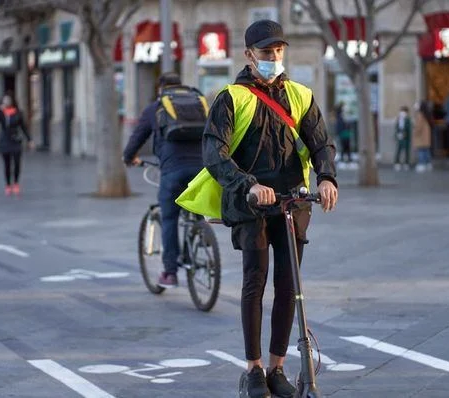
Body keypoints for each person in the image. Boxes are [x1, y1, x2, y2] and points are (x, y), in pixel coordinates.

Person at [200, 20, 338, 398]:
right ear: (248, 55)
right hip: (252, 202)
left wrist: (327, 178)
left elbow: (322, 143)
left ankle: (278, 366)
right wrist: (248, 184)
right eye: (265, 52)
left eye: (278, 51)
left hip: (293, 201)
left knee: (289, 286)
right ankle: (253, 369)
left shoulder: (300, 95)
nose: (273, 58)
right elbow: (214, 153)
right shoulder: (231, 98)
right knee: (254, 282)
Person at [123, 72, 203, 288]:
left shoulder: (155, 108)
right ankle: (199, 242)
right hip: (203, 169)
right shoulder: (198, 103)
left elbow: (138, 136)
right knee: (197, 211)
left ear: (161, 89)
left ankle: (170, 272)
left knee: (169, 217)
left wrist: (129, 157)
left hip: (173, 169)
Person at [0, 93, 33, 196]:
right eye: (5, 100)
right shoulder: (1, 113)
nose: (7, 102)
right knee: (7, 164)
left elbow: (23, 127)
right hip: (5, 140)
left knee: (17, 163)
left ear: (12, 101)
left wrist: (29, 139)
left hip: (15, 140)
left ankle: (16, 183)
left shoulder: (18, 113)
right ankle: (8, 185)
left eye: (8, 100)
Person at [412, 101, 432, 172]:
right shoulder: (426, 114)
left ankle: (422, 164)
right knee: (426, 150)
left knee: (421, 150)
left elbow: (418, 126)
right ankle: (428, 163)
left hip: (421, 135)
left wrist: (415, 132)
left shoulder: (419, 115)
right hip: (425, 135)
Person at [394, 105, 411, 171]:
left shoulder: (408, 119)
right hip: (400, 137)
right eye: (401, 111)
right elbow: (396, 128)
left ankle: (406, 163)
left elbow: (409, 129)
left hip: (406, 138)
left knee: (407, 151)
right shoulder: (398, 119)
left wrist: (405, 134)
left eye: (404, 111)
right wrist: (397, 135)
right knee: (398, 150)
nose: (402, 113)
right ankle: (397, 163)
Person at [335, 102, 352, 167]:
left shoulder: (341, 116)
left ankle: (346, 158)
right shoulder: (340, 116)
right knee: (345, 146)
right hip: (344, 133)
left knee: (346, 146)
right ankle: (346, 158)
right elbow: (340, 125)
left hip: (345, 133)